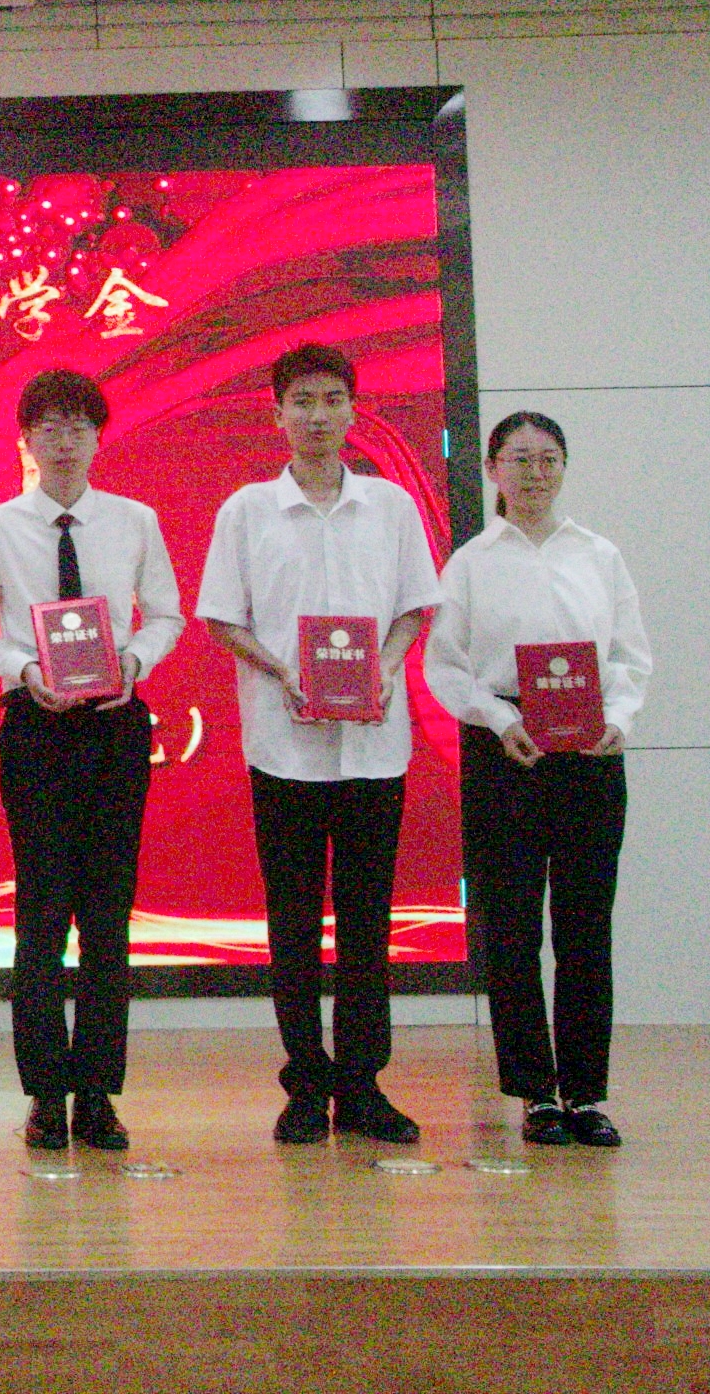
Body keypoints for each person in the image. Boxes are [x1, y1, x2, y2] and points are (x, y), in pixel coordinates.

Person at [197, 344, 443, 1147]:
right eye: (302, 401)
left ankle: (364, 1086)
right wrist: (284, 672)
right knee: (294, 920)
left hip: (375, 747)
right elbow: (222, 619)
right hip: (285, 748)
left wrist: (383, 667)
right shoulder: (247, 510)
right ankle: (305, 1084)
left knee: (369, 921)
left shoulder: (391, 506)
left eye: (333, 399)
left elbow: (415, 608)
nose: (318, 415)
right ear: (277, 414)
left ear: (353, 410)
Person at [0, 369, 184, 1153]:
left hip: (115, 725)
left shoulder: (135, 520)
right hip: (36, 728)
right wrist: (22, 669)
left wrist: (134, 662)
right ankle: (47, 1093)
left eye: (79, 426)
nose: (64, 440)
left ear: (98, 436)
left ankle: (99, 1093)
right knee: (42, 912)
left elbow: (167, 614)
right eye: (48, 426)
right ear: (25, 439)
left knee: (109, 916)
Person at [424, 411, 651, 1148]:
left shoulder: (599, 554)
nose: (535, 473)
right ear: (492, 469)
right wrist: (497, 719)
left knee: (586, 927)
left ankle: (586, 1093)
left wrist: (619, 717)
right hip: (507, 751)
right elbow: (446, 664)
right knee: (513, 929)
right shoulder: (471, 563)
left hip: (590, 752)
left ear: (564, 467)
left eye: (548, 459)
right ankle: (535, 1093)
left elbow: (629, 655)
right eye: (519, 459)